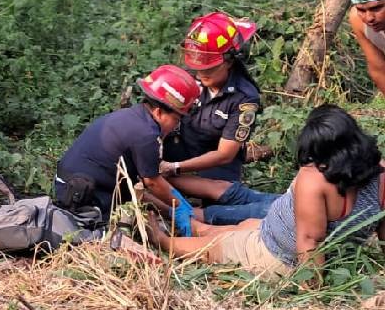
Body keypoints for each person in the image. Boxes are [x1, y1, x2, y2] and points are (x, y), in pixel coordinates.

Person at [148, 105, 385, 279]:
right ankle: (194, 226)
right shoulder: (380, 173)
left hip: (276, 256)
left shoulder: (314, 179)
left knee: (215, 247)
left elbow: (310, 241)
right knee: (240, 227)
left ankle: (162, 240)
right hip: (269, 231)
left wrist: (314, 287)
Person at [160, 11, 278, 224]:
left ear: (230, 61)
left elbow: (224, 153)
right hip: (181, 146)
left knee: (222, 209)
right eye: (198, 67)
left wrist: (175, 168)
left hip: (216, 161)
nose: (202, 74)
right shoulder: (189, 77)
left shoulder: (244, 97)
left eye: (211, 68)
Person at [56, 64, 201, 235]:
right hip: (81, 196)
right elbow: (152, 182)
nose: (176, 125)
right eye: (176, 119)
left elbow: (136, 185)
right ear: (159, 112)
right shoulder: (146, 134)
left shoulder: (134, 116)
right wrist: (180, 207)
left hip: (79, 184)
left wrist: (170, 209)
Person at [348, 0, 385, 97]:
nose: (369, 18)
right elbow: (378, 69)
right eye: (362, 10)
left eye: (376, 8)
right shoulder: (357, 20)